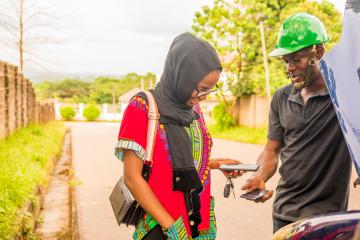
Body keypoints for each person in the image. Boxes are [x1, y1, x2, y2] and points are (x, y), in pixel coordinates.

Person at [115, 32, 240, 240]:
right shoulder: (142, 107)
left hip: (197, 225)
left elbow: (179, 164)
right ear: (181, 76)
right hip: (162, 228)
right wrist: (173, 229)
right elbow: (132, 178)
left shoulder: (194, 111)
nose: (204, 97)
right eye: (200, 89)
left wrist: (217, 164)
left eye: (210, 89)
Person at [241, 12, 352, 233]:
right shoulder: (281, 98)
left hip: (327, 219)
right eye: (286, 60)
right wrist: (260, 176)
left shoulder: (345, 94)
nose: (289, 68)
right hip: (285, 214)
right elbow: (271, 152)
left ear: (318, 52)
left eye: (296, 59)